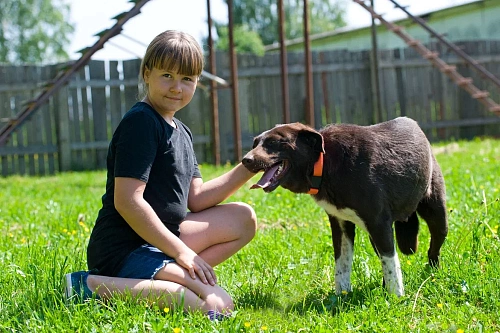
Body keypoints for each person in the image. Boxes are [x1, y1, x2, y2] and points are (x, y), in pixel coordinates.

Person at [64, 30, 257, 321]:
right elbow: (128, 201)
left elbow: (198, 198)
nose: (177, 87)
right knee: (214, 305)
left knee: (244, 218)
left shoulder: (182, 132)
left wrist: (251, 165)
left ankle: (178, 276)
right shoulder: (141, 122)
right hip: (125, 247)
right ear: (147, 73)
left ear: (197, 83)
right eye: (167, 75)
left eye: (187, 79)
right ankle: (88, 285)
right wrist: (183, 252)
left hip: (162, 241)